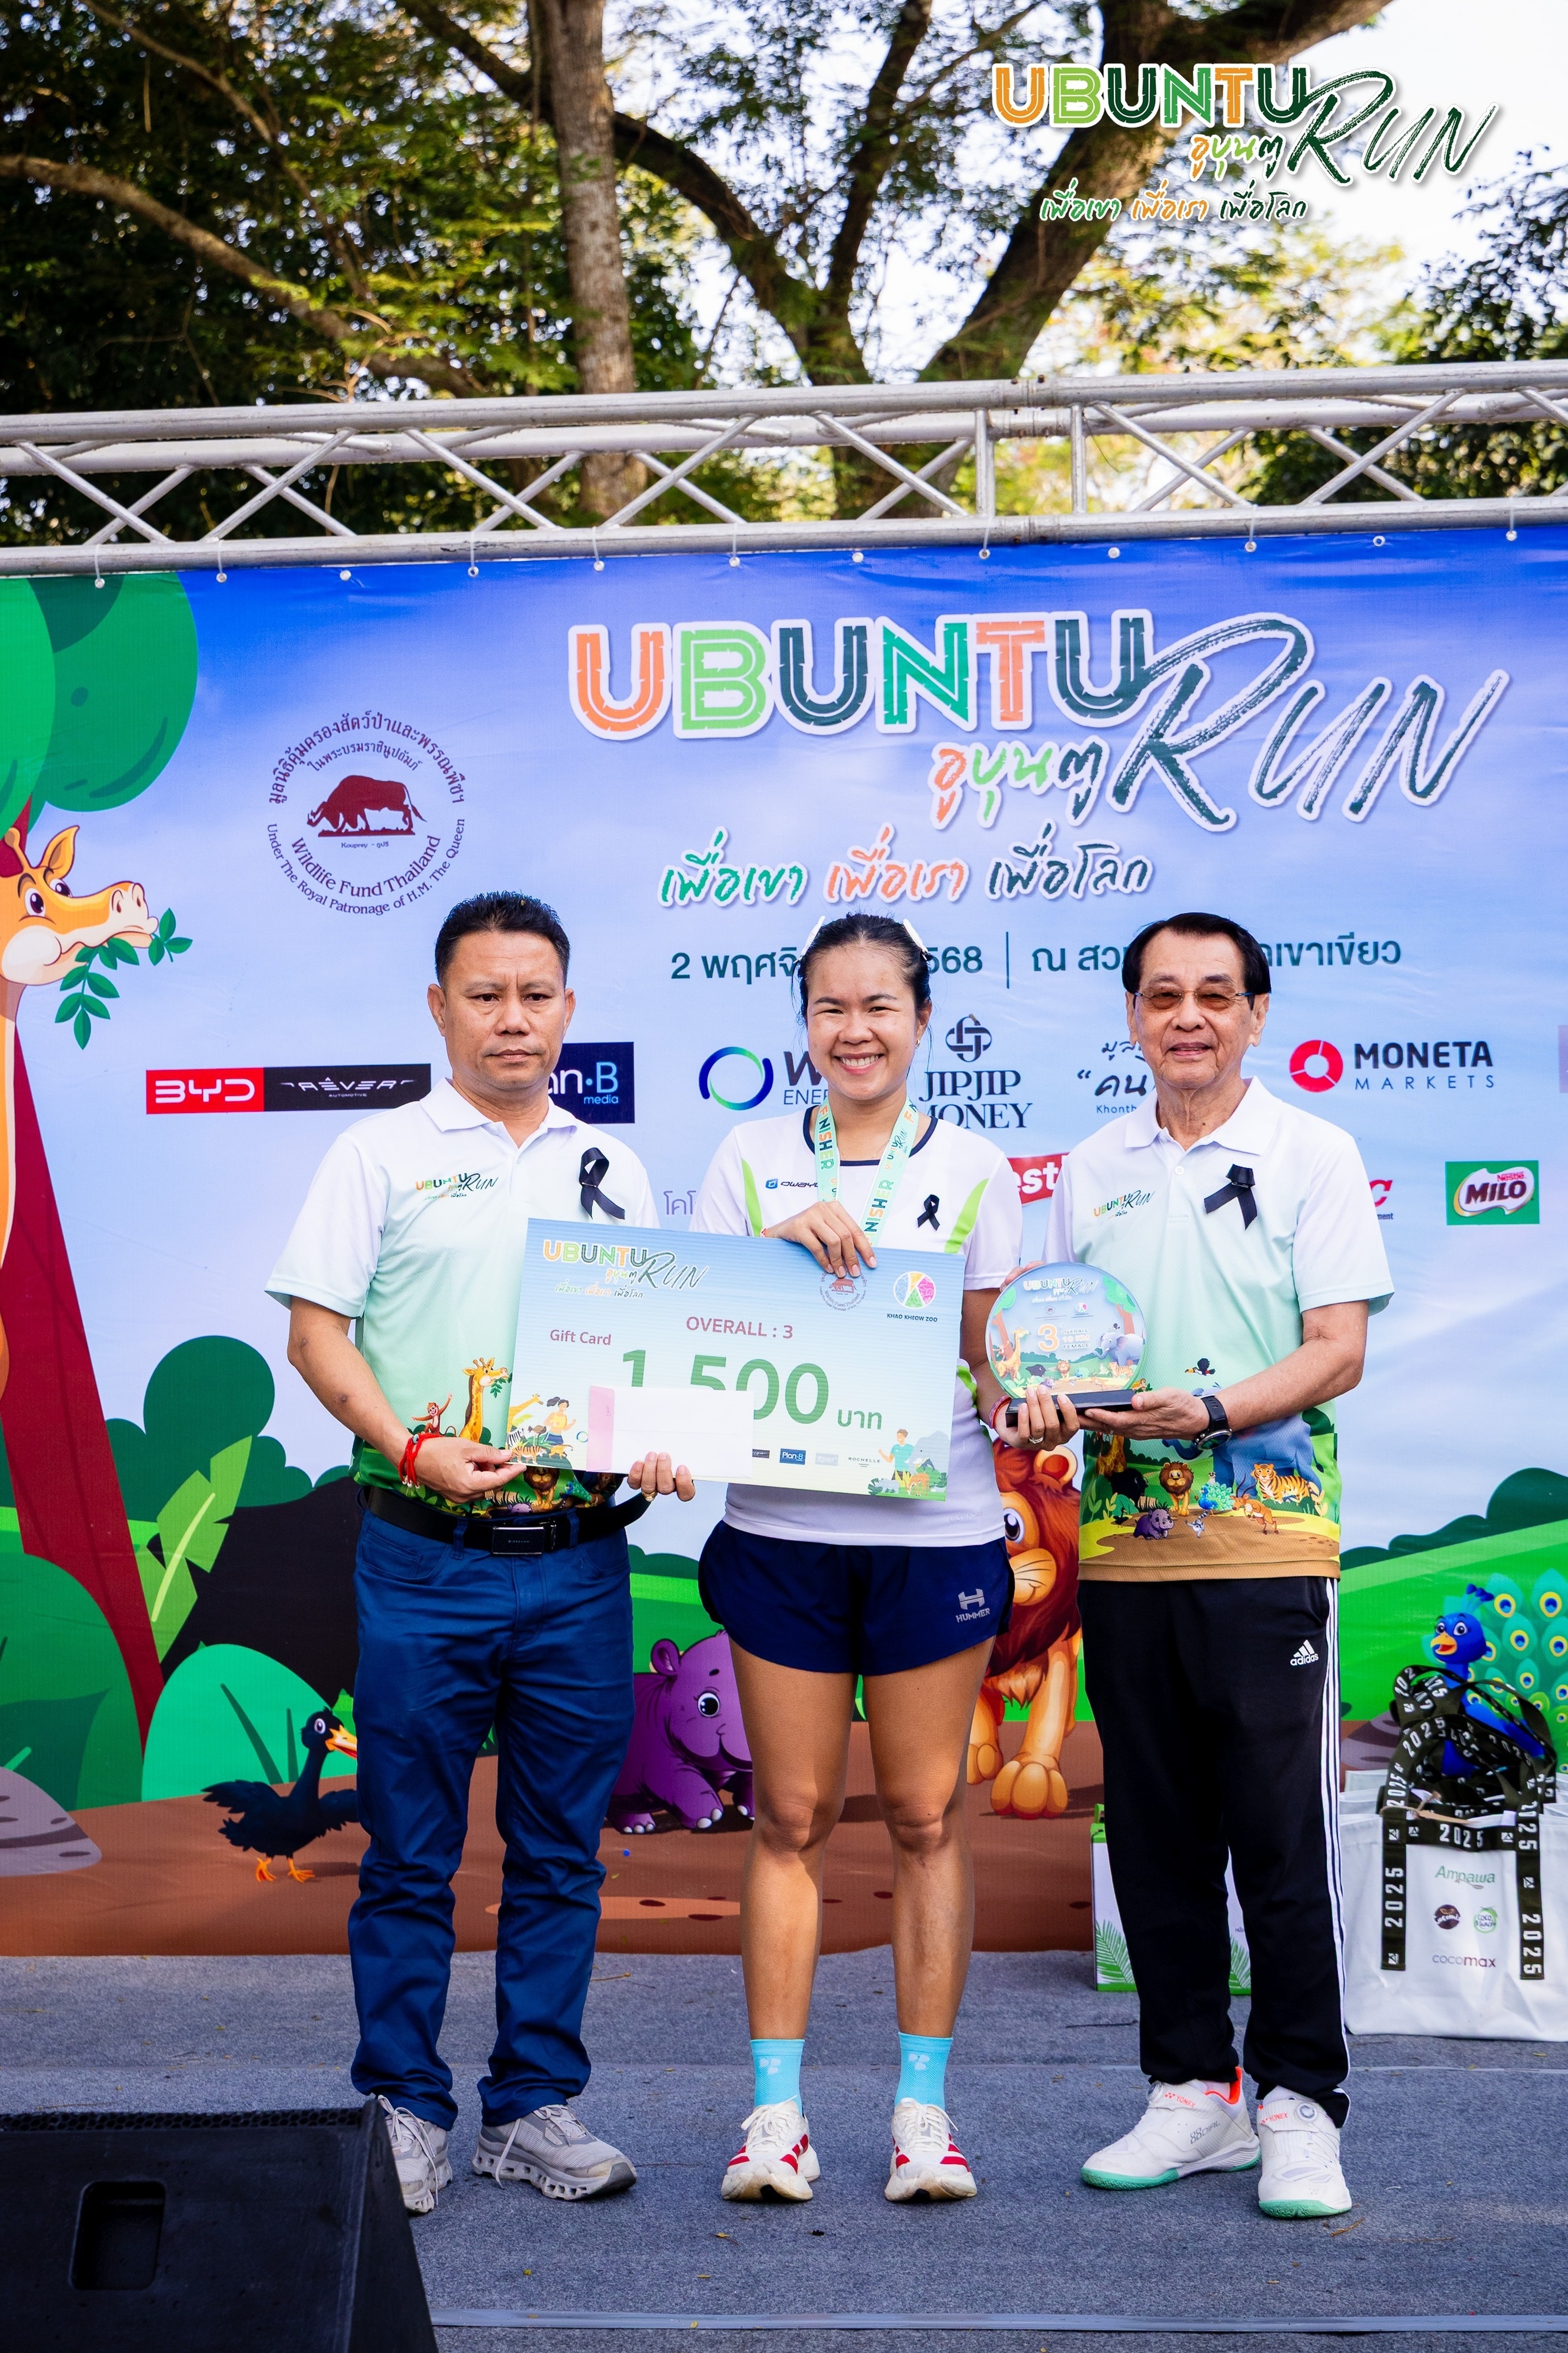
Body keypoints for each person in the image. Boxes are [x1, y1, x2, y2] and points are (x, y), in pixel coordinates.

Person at [268, 891, 694, 2217]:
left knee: (561, 1851)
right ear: (440, 1007)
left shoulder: (612, 1164)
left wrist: (661, 1441)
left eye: (536, 994)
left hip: (578, 1563)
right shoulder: (377, 1152)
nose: (513, 1018)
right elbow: (316, 1335)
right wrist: (411, 1447)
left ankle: (531, 2107)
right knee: (409, 1851)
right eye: (486, 993)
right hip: (425, 1555)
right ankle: (403, 2104)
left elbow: (647, 1353)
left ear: (569, 1008)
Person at [1033, 910, 1391, 2222]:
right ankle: (1191, 2091)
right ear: (1132, 1015)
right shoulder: (1090, 1166)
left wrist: (1215, 1410)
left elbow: (1337, 1347)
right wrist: (1042, 1401)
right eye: (1163, 995)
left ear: (1255, 1015)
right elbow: (1063, 1348)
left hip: (1269, 1544)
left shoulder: (1313, 1151)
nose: (1188, 1016)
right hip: (1125, 1548)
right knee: (1155, 1835)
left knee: (1278, 1836)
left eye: (1215, 995)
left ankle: (1299, 2103)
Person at [689, 911, 1042, 2207]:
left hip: (932, 1533)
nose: (855, 1030)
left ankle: (921, 2116)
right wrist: (770, 1252)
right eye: (830, 1008)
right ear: (804, 1023)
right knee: (789, 1818)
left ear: (921, 1018)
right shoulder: (748, 1156)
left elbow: (992, 1358)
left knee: (926, 1816)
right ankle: (773, 2119)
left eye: (879, 1005)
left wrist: (1026, 1406)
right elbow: (694, 1330)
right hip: (782, 1531)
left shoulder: (978, 1168)